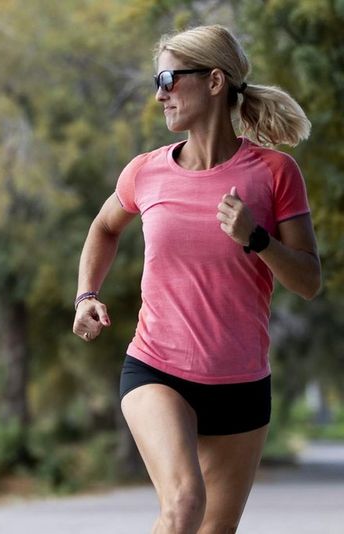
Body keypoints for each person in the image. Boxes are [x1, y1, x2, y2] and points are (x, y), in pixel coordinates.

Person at [72, 25, 321, 533]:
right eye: (156, 80)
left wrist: (257, 239)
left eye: (168, 78)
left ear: (213, 82)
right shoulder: (145, 172)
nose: (159, 92)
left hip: (242, 385)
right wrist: (86, 295)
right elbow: (103, 227)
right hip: (157, 369)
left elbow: (309, 280)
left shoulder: (275, 173)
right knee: (184, 505)